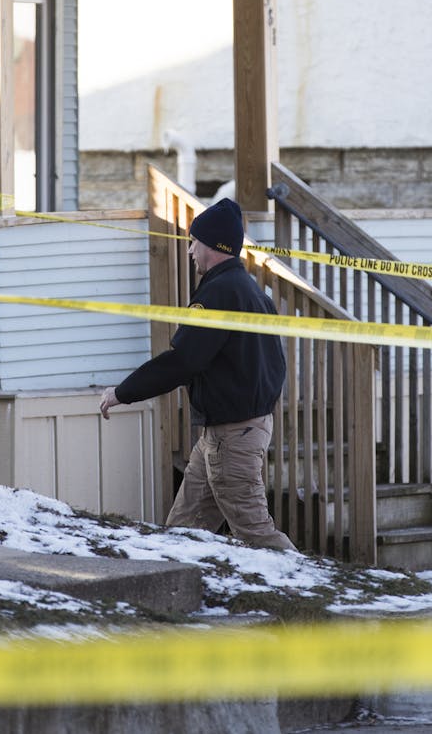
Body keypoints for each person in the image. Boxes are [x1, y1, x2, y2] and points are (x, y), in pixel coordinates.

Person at [99, 198, 296, 552]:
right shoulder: (252, 291)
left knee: (255, 533)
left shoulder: (219, 293)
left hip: (232, 435)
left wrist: (122, 392)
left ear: (213, 247)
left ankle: (311, 591)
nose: (190, 250)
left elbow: (183, 361)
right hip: (229, 431)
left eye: (195, 242)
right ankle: (175, 594)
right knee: (183, 532)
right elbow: (276, 365)